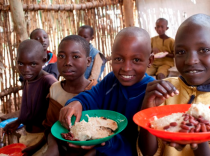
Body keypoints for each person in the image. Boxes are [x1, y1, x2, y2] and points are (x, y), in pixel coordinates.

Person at [138, 14, 210, 156]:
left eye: (204, 50)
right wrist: (147, 109)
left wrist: (199, 137)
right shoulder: (166, 90)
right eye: (181, 52)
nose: (190, 60)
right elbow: (147, 152)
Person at [59, 27, 155, 156]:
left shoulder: (152, 94)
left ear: (150, 61)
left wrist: (106, 142)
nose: (126, 68)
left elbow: (143, 149)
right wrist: (77, 102)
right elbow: (92, 96)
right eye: (119, 59)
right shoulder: (111, 80)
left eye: (136, 60)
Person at [42, 35, 98, 156]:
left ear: (88, 61)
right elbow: (50, 127)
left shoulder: (96, 91)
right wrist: (53, 147)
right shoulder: (54, 89)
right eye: (61, 56)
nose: (67, 62)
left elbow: (104, 134)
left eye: (76, 57)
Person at [3, 39, 57, 155]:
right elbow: (29, 106)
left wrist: (36, 146)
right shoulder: (29, 78)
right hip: (29, 135)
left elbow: (54, 121)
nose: (26, 70)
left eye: (33, 64)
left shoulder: (49, 82)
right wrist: (18, 121)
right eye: (21, 63)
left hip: (43, 140)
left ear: (43, 61)